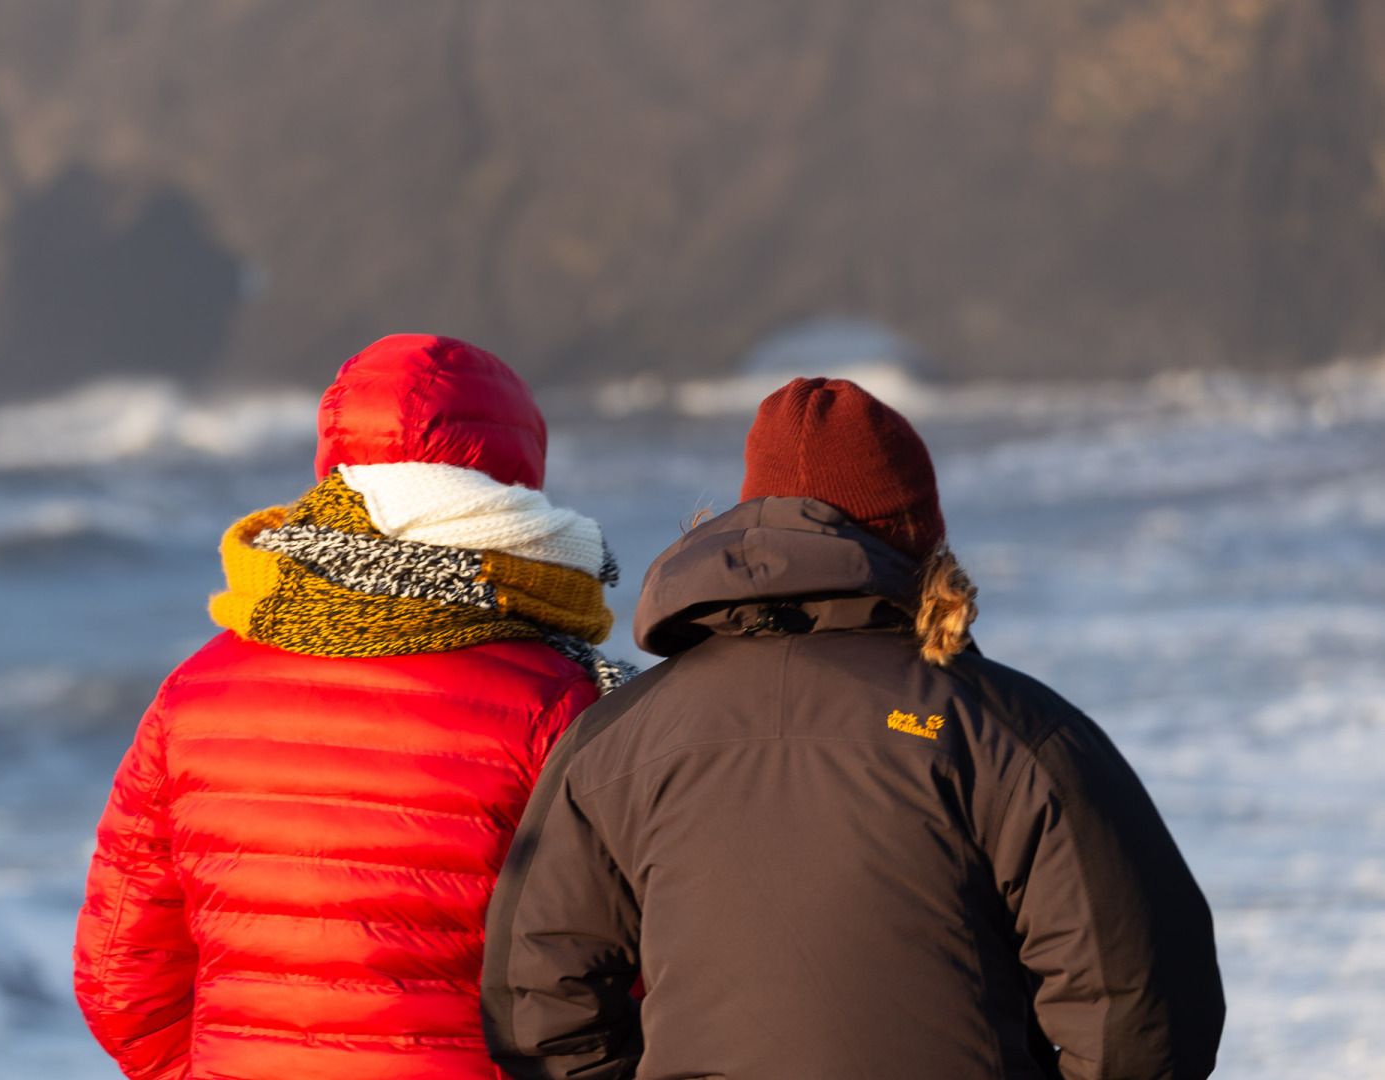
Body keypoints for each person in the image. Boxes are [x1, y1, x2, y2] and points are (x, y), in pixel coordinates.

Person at [482, 377, 1225, 1080]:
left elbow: (539, 1011)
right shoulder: (1011, 733)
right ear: (915, 539)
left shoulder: (616, 741)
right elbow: (1141, 1006)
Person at [74, 334, 634, 1080]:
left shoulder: (194, 692)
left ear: (335, 467)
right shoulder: (561, 701)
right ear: (518, 481)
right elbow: (613, 974)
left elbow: (119, 975)